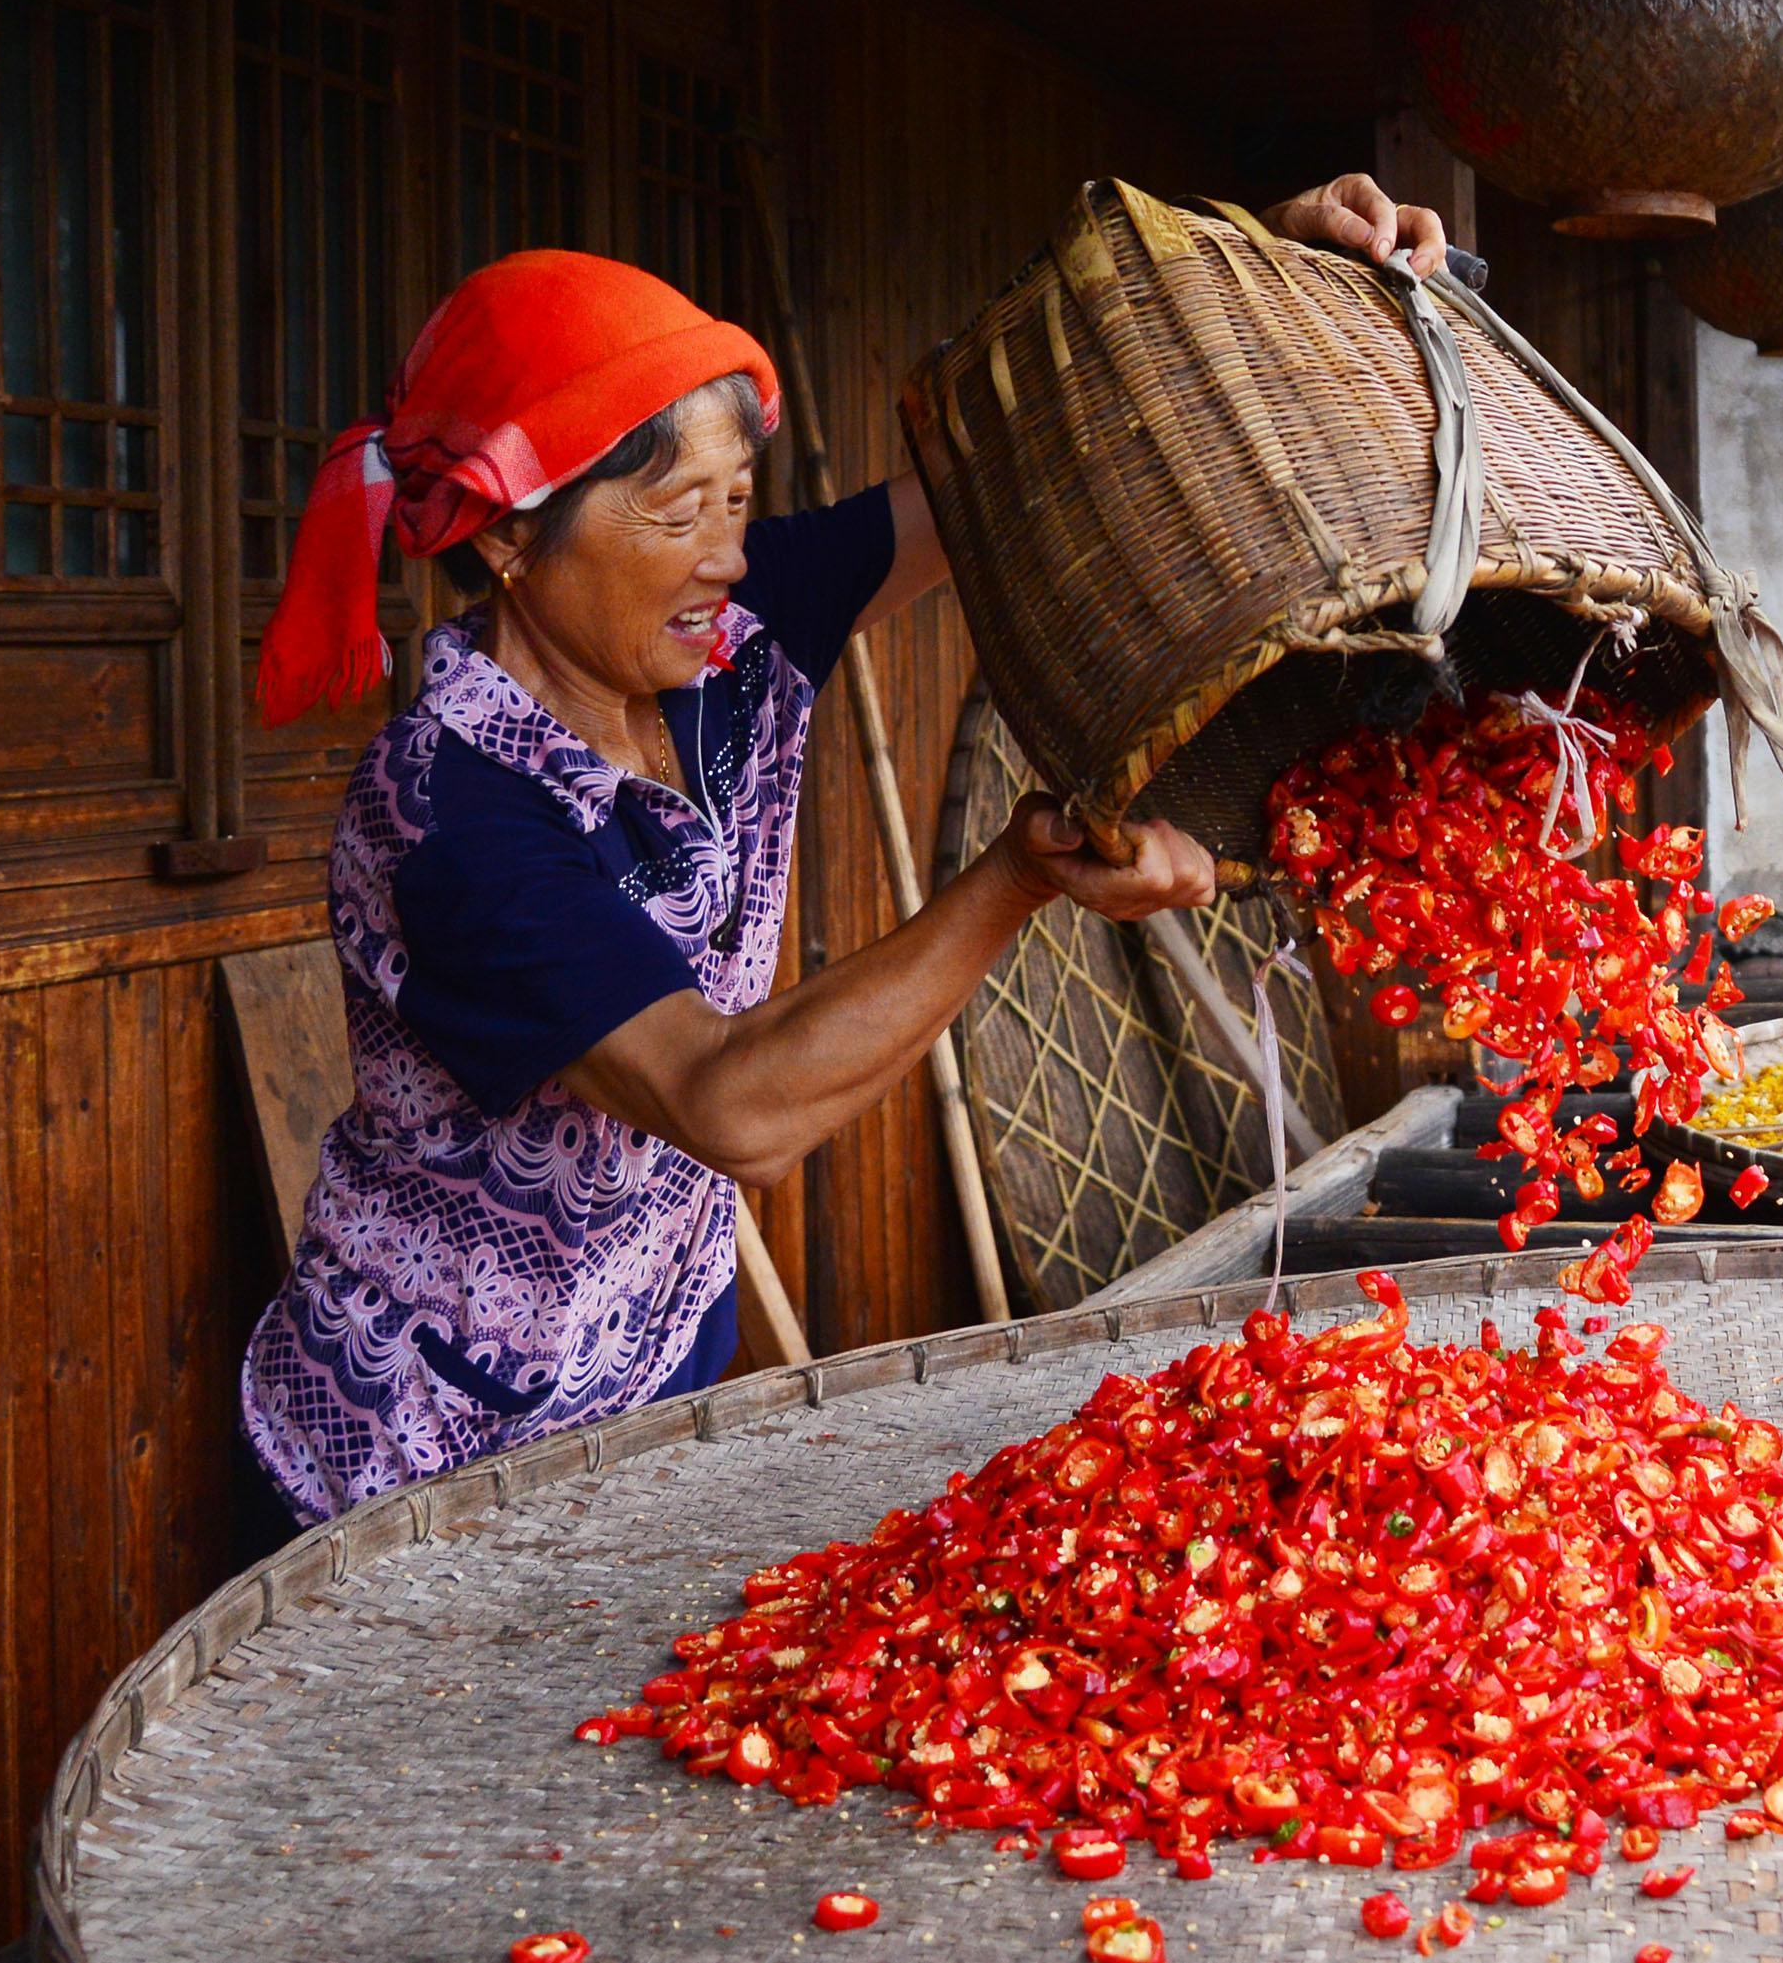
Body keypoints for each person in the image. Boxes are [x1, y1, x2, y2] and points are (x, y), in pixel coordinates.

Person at [240, 177, 1449, 1524]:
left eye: (739, 500)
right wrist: (1016, 878)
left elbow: (1009, 470)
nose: (723, 555)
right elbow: (728, 1104)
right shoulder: (452, 807)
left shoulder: (724, 635)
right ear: (515, 536)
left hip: (642, 1390)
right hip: (420, 1469)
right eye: (676, 509)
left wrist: (1247, 268)